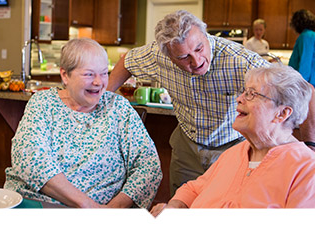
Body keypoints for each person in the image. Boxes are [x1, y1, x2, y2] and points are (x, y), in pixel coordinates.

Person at [107, 10, 272, 196]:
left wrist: (310, 144)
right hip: (186, 146)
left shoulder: (242, 61)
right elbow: (127, 61)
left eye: (199, 48)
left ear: (205, 33)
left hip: (231, 146)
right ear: (168, 55)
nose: (197, 61)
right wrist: (102, 102)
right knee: (181, 204)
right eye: (184, 57)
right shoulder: (157, 53)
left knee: (224, 206)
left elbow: (302, 92)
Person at [4, 38, 162, 208]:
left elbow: (148, 165)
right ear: (65, 75)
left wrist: (113, 210)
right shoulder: (43, 103)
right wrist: (88, 207)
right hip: (40, 204)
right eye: (89, 74)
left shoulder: (118, 108)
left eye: (103, 73)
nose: (98, 82)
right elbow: (31, 159)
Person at [150, 64, 315, 216]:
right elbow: (194, 189)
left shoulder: (306, 169)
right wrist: (173, 208)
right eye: (244, 91)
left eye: (251, 94)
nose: (239, 98)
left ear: (282, 113)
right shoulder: (237, 152)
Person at [288, 9, 315, 88]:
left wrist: (300, 86)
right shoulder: (310, 35)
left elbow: (305, 62)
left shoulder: (306, 36)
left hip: (309, 84)